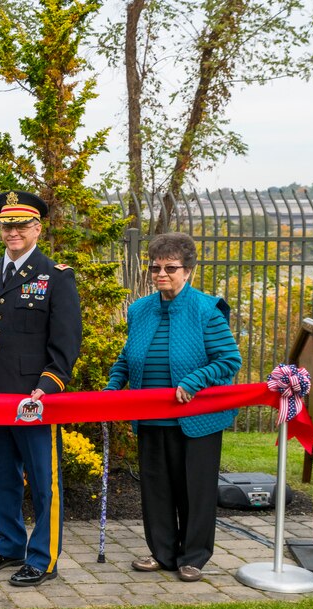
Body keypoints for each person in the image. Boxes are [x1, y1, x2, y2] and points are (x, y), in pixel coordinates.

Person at [0, 190, 82, 587]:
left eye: (20, 225)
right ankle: (10, 543)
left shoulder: (56, 276)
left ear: (37, 228)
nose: (12, 231)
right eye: (6, 225)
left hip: (33, 399)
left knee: (43, 481)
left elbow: (65, 341)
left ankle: (43, 557)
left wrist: (48, 385)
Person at [105, 233, 241, 582]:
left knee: (193, 490)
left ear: (188, 271)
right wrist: (111, 389)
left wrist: (193, 381)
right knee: (156, 488)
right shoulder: (140, 310)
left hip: (197, 419)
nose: (161, 274)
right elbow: (126, 357)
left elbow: (229, 359)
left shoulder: (206, 310)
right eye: (155, 268)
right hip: (150, 416)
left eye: (170, 268)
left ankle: (193, 557)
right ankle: (162, 553)